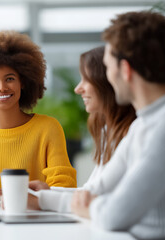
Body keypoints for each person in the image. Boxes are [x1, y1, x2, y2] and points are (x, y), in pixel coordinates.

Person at [71, 11, 165, 239]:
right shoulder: (145, 123)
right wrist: (40, 199)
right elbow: (94, 192)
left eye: (108, 67)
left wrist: (90, 206)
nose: (108, 77)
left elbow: (114, 215)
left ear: (125, 70)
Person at [0, 30, 76, 200]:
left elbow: (64, 187)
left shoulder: (48, 128)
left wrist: (13, 194)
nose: (1, 87)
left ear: (23, 82)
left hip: (30, 220)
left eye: (9, 79)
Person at [27, 46, 136, 212]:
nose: (78, 89)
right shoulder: (110, 131)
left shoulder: (132, 135)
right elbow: (90, 191)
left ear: (107, 81)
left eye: (87, 79)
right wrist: (48, 191)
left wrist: (43, 199)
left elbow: (100, 200)